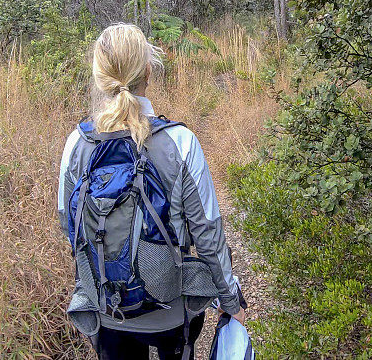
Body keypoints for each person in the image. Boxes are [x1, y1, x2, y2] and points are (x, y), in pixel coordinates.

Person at [57, 23, 245, 359]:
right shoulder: (179, 142)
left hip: (107, 311)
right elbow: (208, 234)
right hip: (171, 312)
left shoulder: (77, 144)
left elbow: (69, 226)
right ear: (148, 71)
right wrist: (231, 301)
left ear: (99, 76)